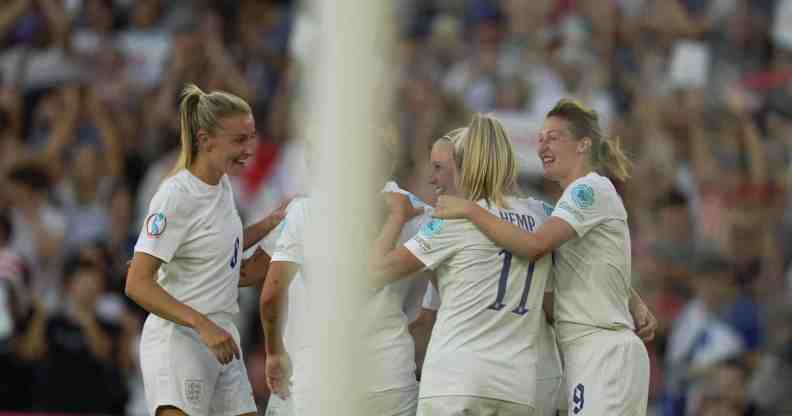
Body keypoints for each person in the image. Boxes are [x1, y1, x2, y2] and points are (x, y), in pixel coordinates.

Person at [434, 99, 653, 415]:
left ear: (583, 145)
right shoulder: (567, 208)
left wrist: (469, 209)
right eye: (540, 139)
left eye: (553, 137)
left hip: (603, 350)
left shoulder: (588, 190)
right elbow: (586, 261)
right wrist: (633, 300)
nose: (542, 147)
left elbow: (535, 245)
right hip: (583, 352)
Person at [374, 114, 554, 416]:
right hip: (517, 386)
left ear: (464, 166)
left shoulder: (453, 219)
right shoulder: (541, 218)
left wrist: (395, 216)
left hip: (456, 380)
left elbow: (375, 273)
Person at [125, 84, 284, 416]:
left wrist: (273, 222)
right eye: (239, 140)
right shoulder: (176, 195)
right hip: (181, 340)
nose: (249, 149)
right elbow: (137, 282)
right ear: (205, 139)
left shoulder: (222, 184)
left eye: (251, 137)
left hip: (223, 339)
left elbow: (219, 250)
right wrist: (201, 324)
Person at [259, 132, 432, 416]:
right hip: (389, 378)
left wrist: (274, 352)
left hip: (321, 377)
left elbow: (270, 296)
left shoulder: (305, 210)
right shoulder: (420, 212)